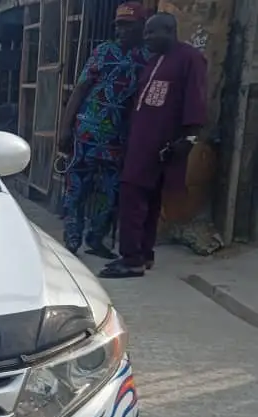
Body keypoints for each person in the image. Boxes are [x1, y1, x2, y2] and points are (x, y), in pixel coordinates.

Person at [100, 12, 208, 279]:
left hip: (161, 143)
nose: (146, 38)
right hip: (142, 141)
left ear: (169, 31)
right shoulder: (155, 60)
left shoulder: (189, 58)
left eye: (152, 32)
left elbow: (196, 99)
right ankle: (143, 254)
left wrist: (189, 138)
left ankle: (131, 259)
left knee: (132, 196)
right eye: (146, 32)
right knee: (146, 200)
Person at [58, 2, 149, 258]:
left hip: (118, 138)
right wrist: (65, 128)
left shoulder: (146, 58)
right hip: (86, 133)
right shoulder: (103, 52)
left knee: (111, 192)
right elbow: (80, 89)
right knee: (77, 188)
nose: (122, 31)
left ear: (142, 26)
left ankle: (96, 240)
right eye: (119, 26)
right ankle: (71, 240)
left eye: (128, 26)